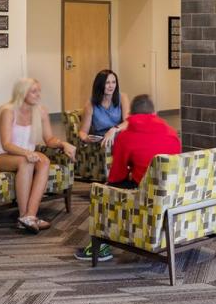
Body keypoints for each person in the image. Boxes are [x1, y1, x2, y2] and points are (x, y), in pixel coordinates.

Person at [75, 94, 181, 262]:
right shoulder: (172, 132)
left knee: (105, 192)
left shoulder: (126, 137)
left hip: (147, 193)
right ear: (154, 113)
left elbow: (117, 175)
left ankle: (102, 247)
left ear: (130, 115)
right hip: (173, 190)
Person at [0, 78, 76, 233]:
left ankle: (30, 216)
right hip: (1, 155)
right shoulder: (8, 111)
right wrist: (27, 153)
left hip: (26, 155)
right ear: (22, 92)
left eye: (39, 91)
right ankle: (23, 216)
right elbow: (6, 144)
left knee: (45, 161)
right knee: (26, 162)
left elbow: (49, 139)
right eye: (34, 91)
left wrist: (63, 144)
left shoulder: (41, 111)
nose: (38, 95)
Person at [78, 69, 130, 152]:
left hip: (118, 133)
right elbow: (83, 132)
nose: (111, 86)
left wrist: (113, 130)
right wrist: (87, 139)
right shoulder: (90, 104)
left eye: (113, 82)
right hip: (103, 139)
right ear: (100, 85)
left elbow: (128, 122)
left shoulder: (123, 97)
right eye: (107, 83)